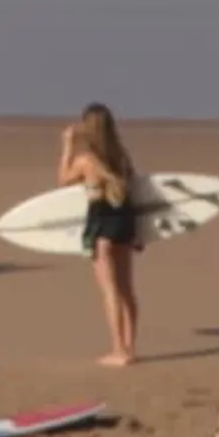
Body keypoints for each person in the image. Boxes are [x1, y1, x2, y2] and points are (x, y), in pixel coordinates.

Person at [61, 102, 143, 369]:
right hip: (125, 225)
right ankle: (130, 347)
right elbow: (135, 194)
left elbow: (62, 179)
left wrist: (67, 145)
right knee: (127, 290)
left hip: (101, 228)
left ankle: (118, 351)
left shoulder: (85, 161)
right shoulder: (122, 156)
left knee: (110, 291)